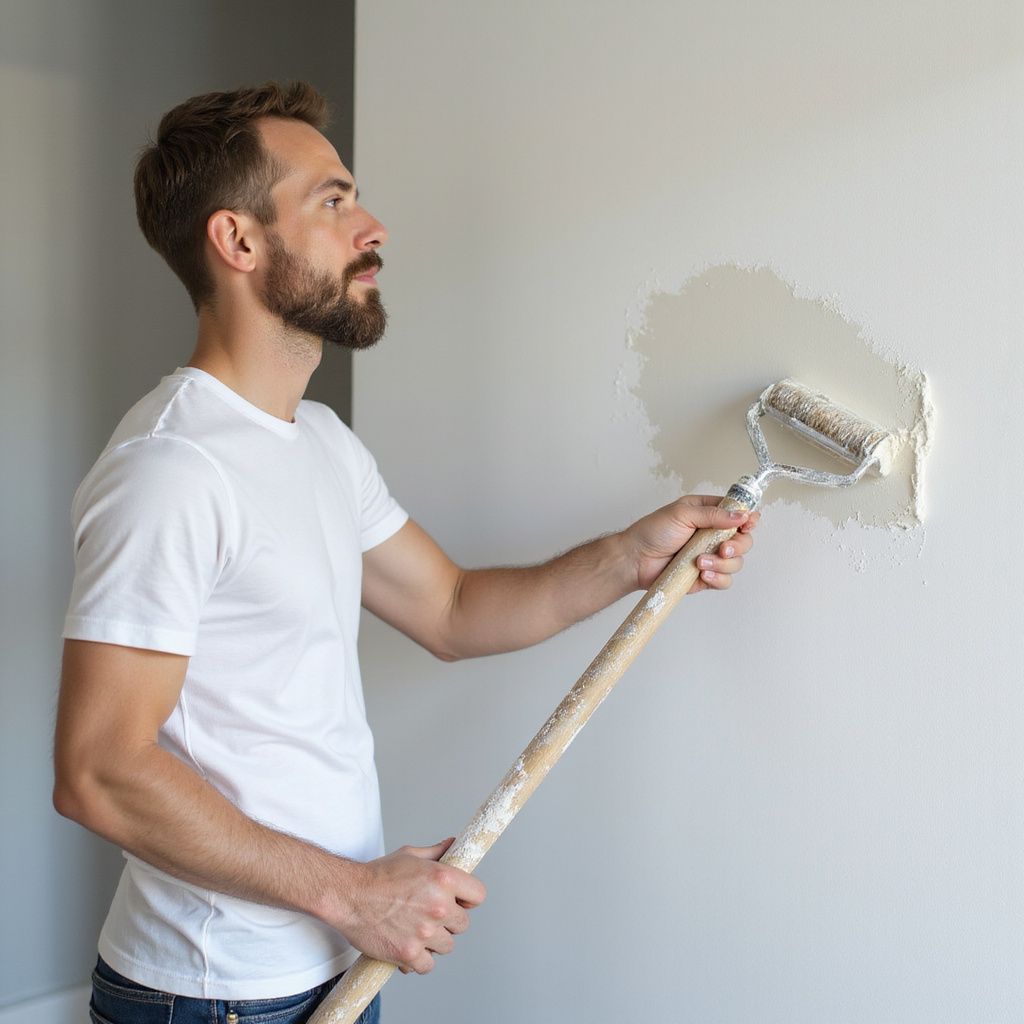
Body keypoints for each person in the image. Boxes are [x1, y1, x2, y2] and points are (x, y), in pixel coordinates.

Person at [52, 81, 759, 1024]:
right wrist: (355, 893)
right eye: (333, 201)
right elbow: (99, 771)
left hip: (337, 968)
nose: (371, 224)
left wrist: (634, 553)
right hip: (214, 996)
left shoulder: (321, 444)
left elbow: (454, 610)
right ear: (239, 241)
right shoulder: (172, 469)